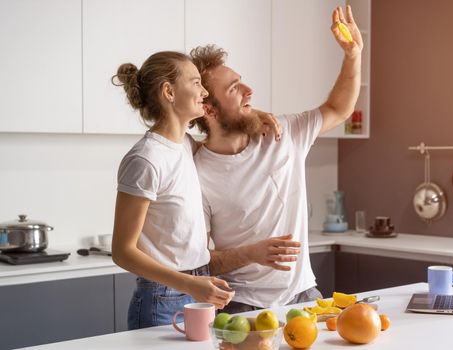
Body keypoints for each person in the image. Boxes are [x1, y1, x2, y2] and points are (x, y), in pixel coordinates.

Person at [189, 5, 363, 313]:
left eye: (241, 81)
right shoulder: (198, 171)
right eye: (234, 89)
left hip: (305, 296)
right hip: (242, 306)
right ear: (209, 110)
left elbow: (339, 109)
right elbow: (201, 260)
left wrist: (353, 55)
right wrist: (252, 253)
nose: (248, 90)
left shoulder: (282, 132)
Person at [110, 51, 235, 330]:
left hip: (197, 286)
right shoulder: (145, 159)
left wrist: (260, 118)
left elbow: (228, 149)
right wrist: (189, 284)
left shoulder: (185, 145)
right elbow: (122, 251)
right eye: (195, 83)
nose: (204, 91)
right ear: (168, 91)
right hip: (163, 296)